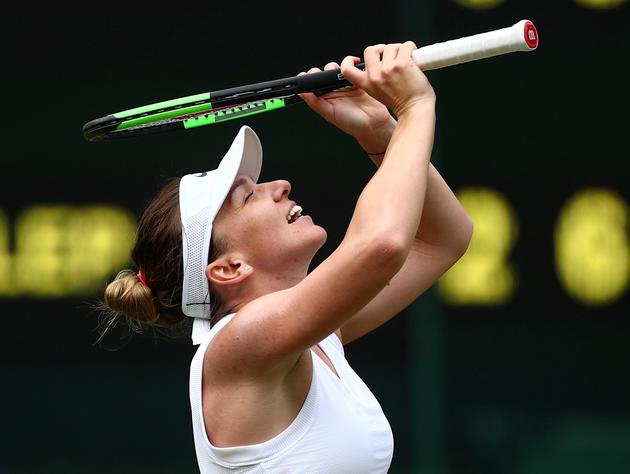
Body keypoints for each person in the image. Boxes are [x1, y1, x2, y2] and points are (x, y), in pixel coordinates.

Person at [103, 42, 473, 473]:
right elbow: (382, 245)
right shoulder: (240, 342)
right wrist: (413, 107)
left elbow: (443, 240)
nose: (277, 185)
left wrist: (379, 131)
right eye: (248, 196)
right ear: (228, 268)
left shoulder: (312, 337)